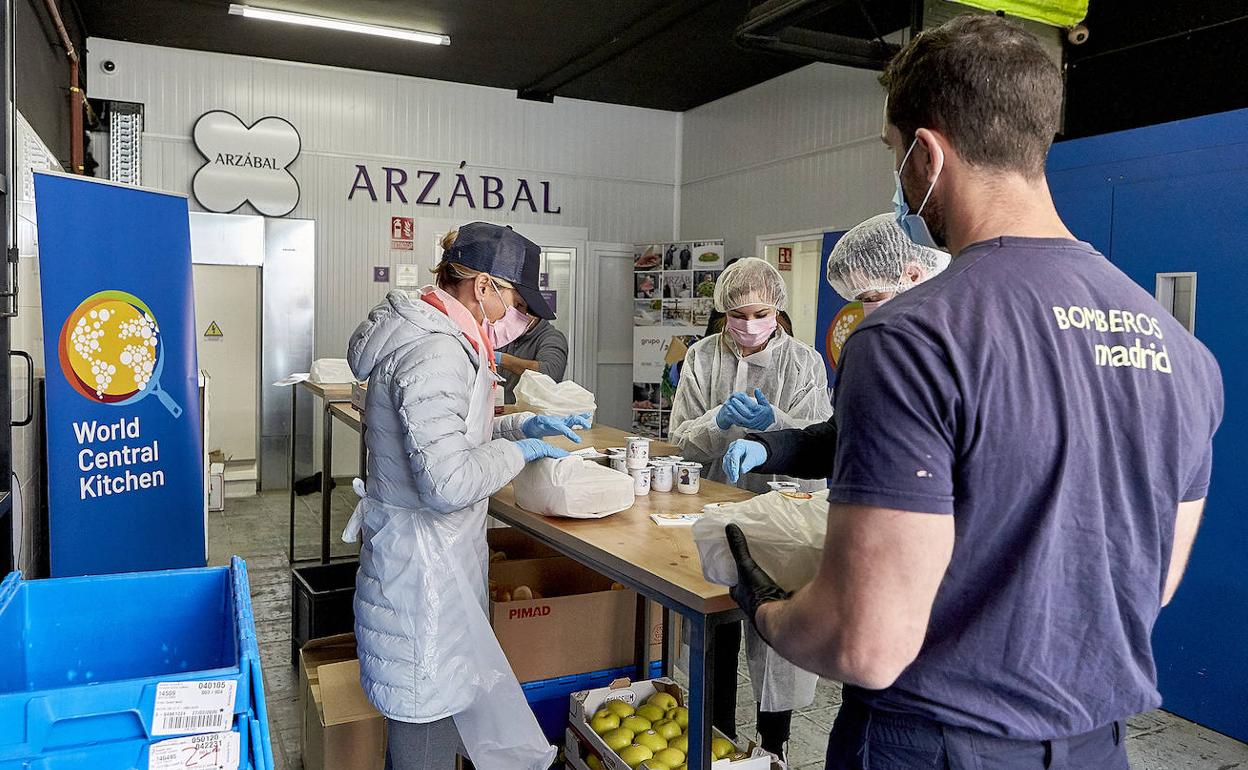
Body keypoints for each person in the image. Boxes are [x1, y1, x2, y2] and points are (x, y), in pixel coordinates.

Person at [724, 16, 1222, 770]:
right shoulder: (1180, 350)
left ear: (925, 153)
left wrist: (766, 612)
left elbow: (866, 643)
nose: (898, 181)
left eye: (894, 158)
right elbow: (1147, 585)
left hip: (936, 744)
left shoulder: (909, 340)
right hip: (1098, 746)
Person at [343, 222, 592, 770]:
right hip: (422, 572)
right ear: (482, 286)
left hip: (428, 559)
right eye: (512, 298)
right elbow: (447, 483)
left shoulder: (438, 335)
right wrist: (518, 456)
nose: (514, 314)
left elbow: (452, 439)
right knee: (425, 718)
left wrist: (520, 428)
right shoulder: (437, 351)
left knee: (434, 711)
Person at [668, 257, 833, 760]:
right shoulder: (702, 357)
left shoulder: (802, 361)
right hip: (718, 507)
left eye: (760, 313)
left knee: (777, 635)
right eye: (737, 314)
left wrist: (774, 423)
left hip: (783, 511)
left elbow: (821, 437)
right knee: (717, 626)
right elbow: (680, 441)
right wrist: (717, 422)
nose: (748, 325)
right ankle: (715, 738)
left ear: (778, 311)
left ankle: (774, 746)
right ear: (722, 313)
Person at [722, 213, 949, 483]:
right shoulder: (877, 354)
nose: (868, 310)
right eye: (863, 300)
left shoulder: (962, 351)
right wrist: (767, 448)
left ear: (912, 275)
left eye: (873, 297)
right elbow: (838, 439)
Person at [495, 297, 568, 405]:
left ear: (533, 313)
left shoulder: (552, 338)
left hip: (531, 413)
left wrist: (501, 358)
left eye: (518, 310)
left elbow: (550, 373)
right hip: (501, 410)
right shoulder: (507, 335)